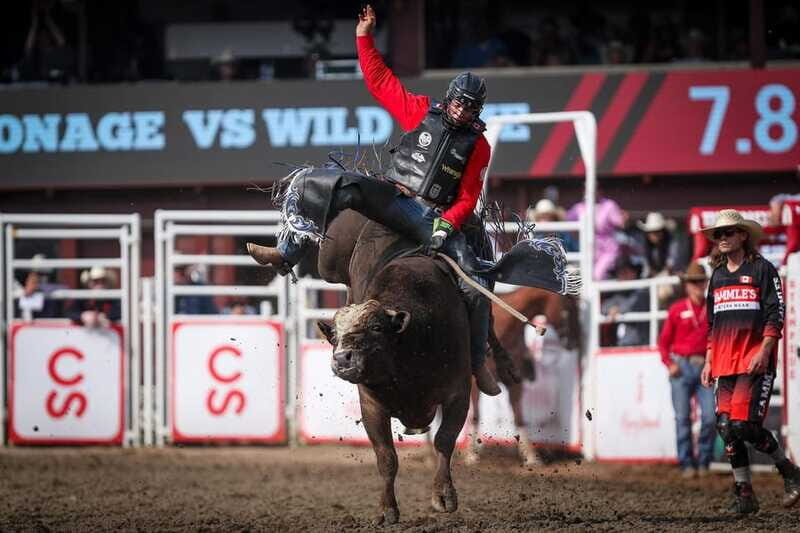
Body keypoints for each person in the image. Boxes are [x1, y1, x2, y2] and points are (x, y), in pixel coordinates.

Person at [246, 5, 504, 396]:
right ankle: (287, 252)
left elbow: (469, 195)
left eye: (469, 106)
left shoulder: (478, 146)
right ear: (449, 98)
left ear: (476, 111)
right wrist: (364, 36)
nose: (462, 110)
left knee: (476, 283)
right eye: (458, 102)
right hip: (394, 197)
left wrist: (446, 224)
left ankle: (476, 363)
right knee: (334, 186)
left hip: (431, 217)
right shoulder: (420, 110)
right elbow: (380, 81)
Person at [700, 209, 800, 515]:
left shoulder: (762, 269)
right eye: (719, 234)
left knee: (743, 426)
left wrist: (765, 349)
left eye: (729, 232)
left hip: (753, 361)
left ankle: (789, 471)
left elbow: (776, 313)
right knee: (726, 427)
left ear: (743, 235)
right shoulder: (717, 276)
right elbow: (712, 323)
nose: (723, 239)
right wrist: (708, 360)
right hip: (723, 363)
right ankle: (744, 494)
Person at [658, 261, 715, 478]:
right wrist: (669, 363)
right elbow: (663, 343)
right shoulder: (677, 309)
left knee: (710, 417)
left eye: (700, 282)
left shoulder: (712, 309)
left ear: (705, 283)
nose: (697, 286)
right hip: (680, 367)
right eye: (693, 282)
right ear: (687, 285)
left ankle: (703, 461)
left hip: (704, 367)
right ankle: (686, 463)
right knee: (682, 418)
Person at [600, 254, 648, 347]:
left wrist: (618, 310)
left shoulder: (642, 291)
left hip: (639, 343)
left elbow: (634, 305)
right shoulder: (619, 295)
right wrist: (612, 309)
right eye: (620, 272)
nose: (623, 275)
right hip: (623, 343)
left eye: (626, 271)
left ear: (634, 273)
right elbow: (604, 307)